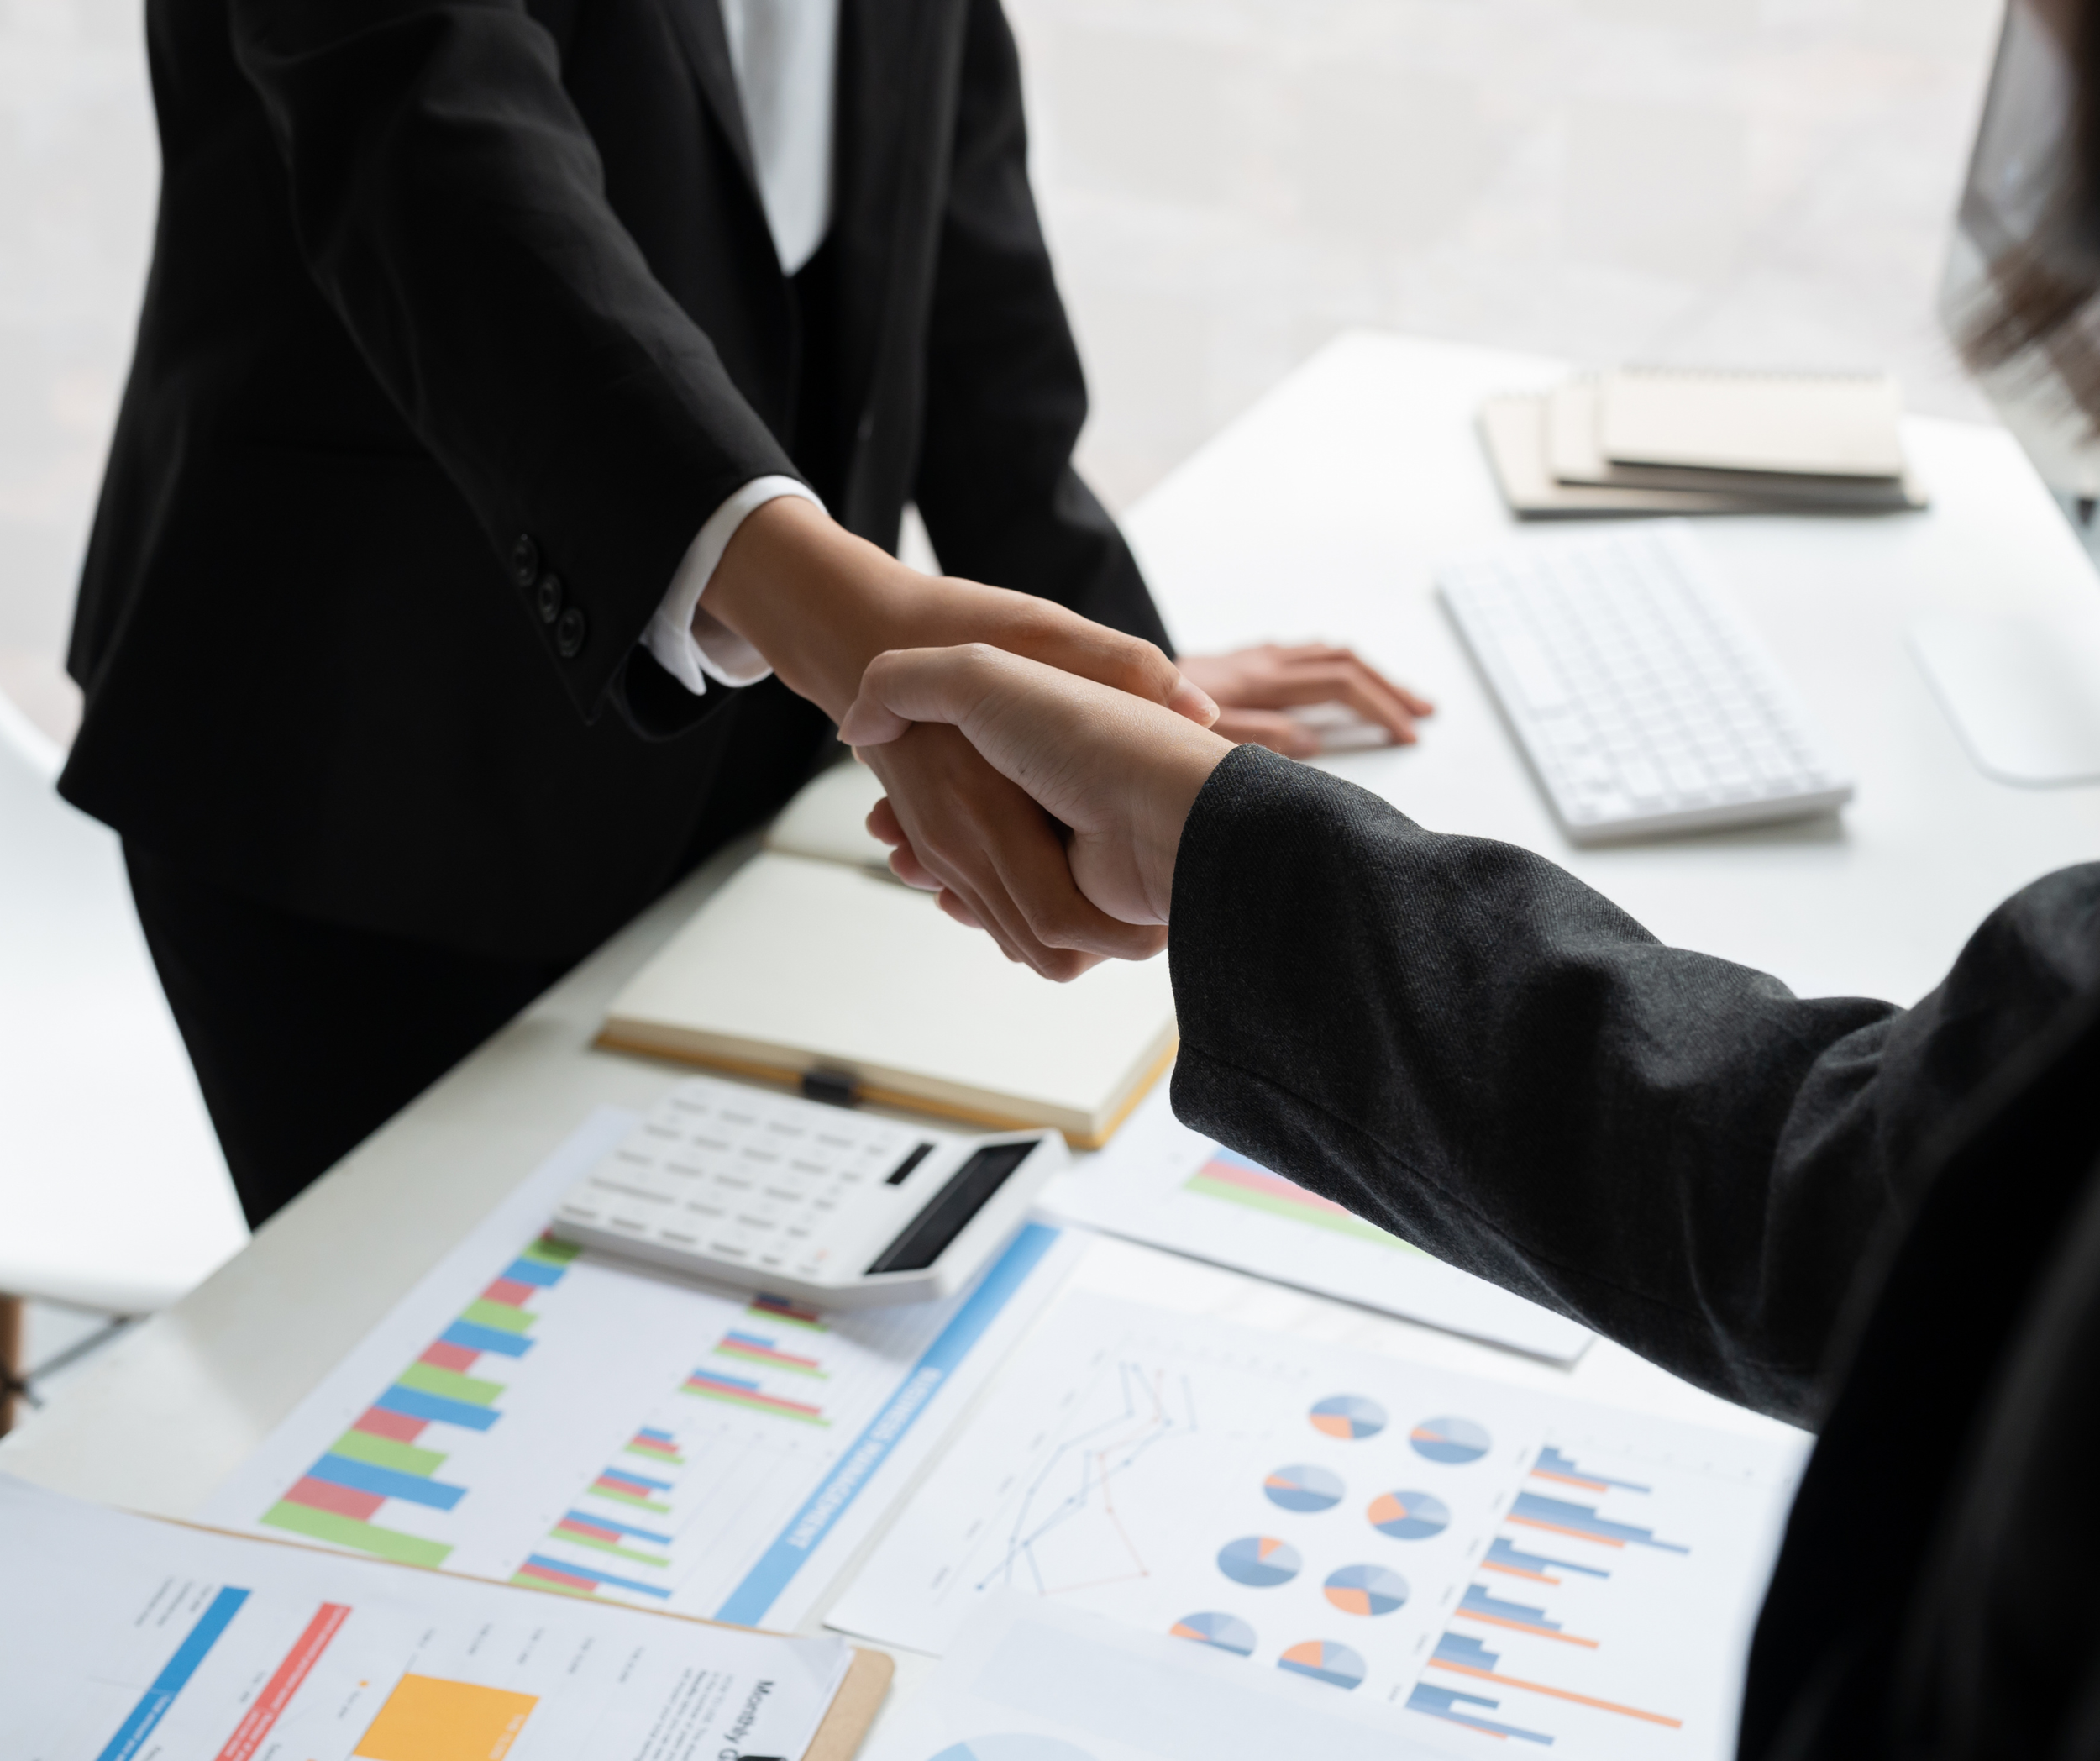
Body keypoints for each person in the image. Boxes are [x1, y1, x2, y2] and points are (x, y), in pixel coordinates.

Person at [54, 0, 1429, 1227]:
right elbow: (429, 132)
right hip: (374, 758)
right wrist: (852, 624)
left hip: (754, 728)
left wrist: (1110, 667)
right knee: (450, 1426)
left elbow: (938, 187)